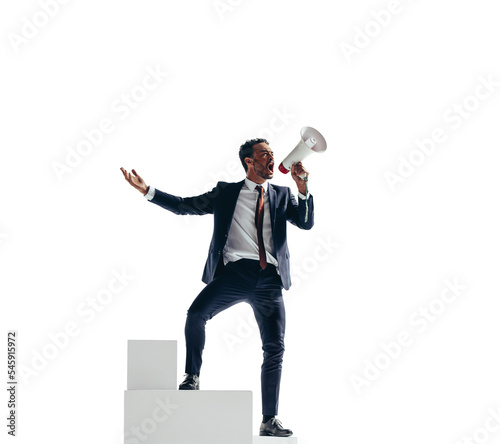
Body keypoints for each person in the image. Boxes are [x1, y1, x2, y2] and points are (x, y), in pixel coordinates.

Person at [120, 138, 314, 437]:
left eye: (273, 154)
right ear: (249, 161)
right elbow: (185, 206)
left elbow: (305, 223)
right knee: (196, 313)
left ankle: (269, 420)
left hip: (270, 281)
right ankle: (192, 376)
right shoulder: (226, 192)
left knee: (274, 348)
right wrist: (148, 191)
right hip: (235, 274)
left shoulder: (282, 194)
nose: (272, 159)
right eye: (265, 155)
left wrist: (303, 189)